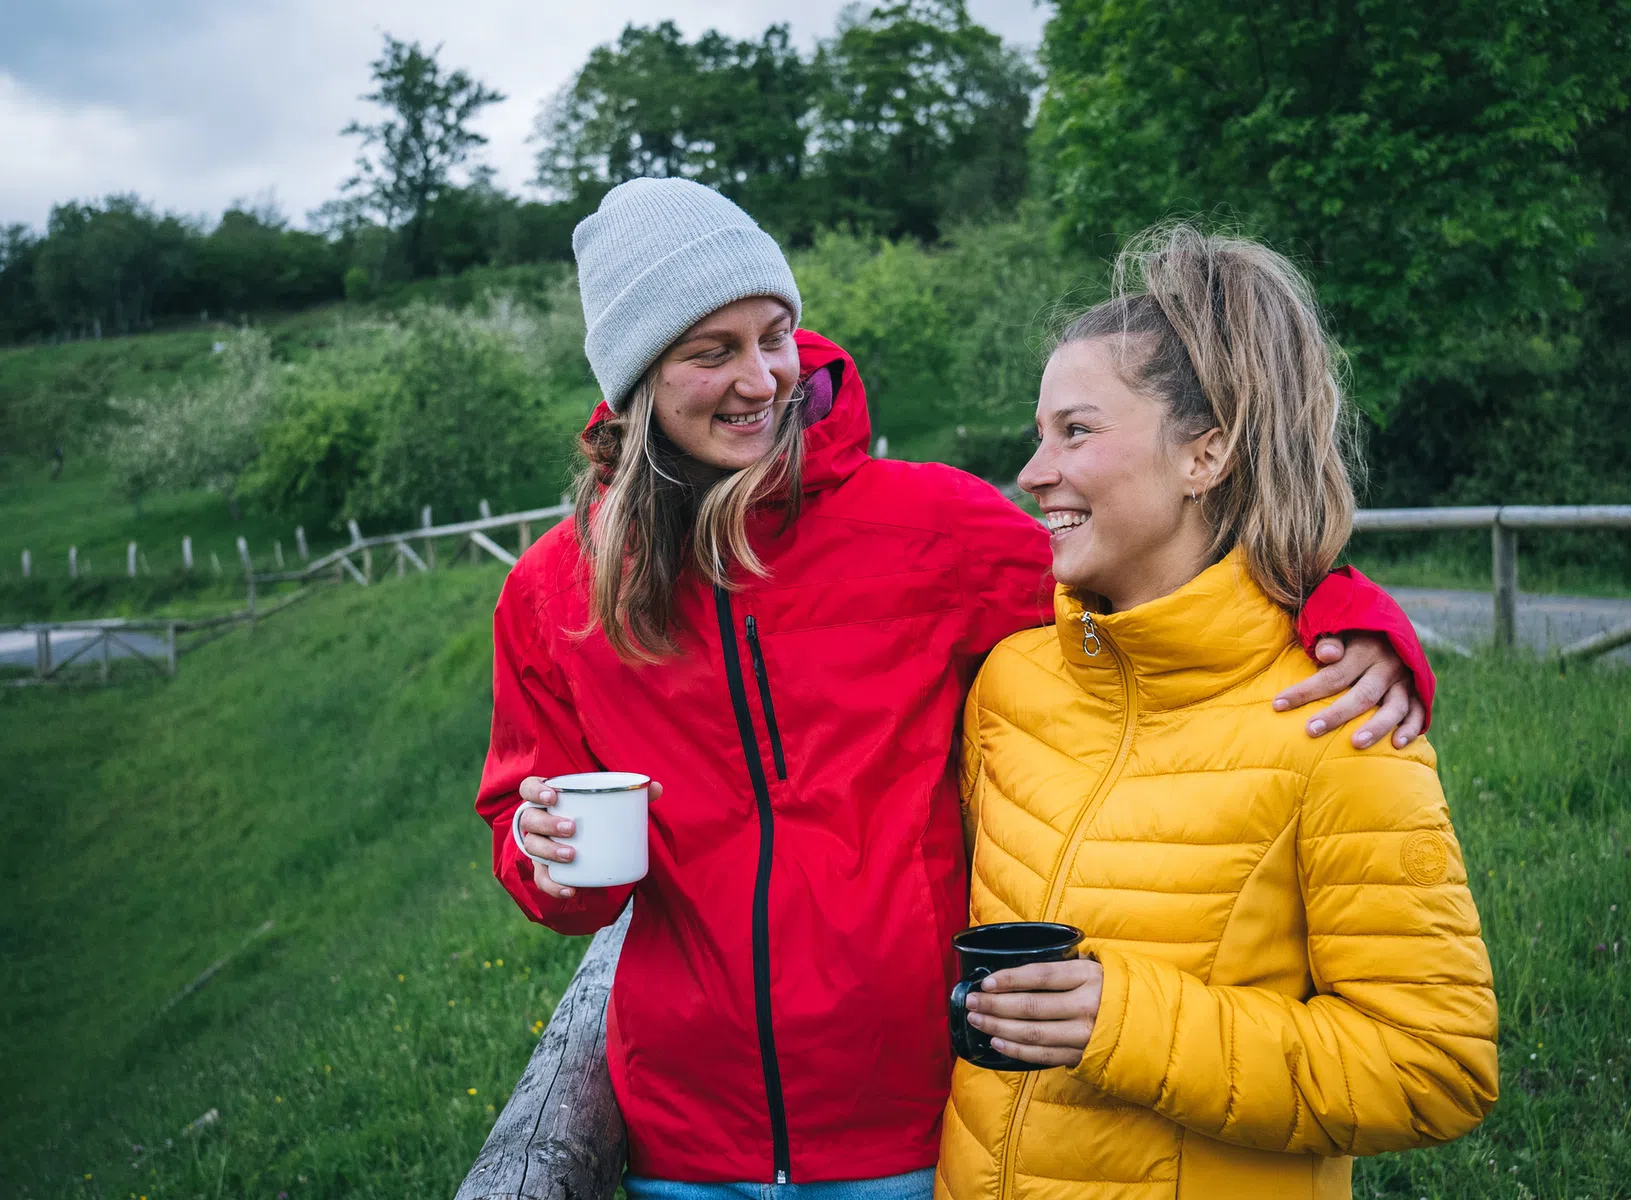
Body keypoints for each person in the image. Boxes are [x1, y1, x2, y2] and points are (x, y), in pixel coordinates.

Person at [475, 180, 1435, 1200]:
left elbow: (1159, 581)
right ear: (635, 379)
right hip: (686, 1139)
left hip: (915, 1125)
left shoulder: (928, 529)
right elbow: (534, 843)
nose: (760, 379)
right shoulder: (553, 596)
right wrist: (550, 862)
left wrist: (1346, 609)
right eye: (711, 352)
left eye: (774, 336)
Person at [941, 225, 1498, 1200]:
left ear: (1206, 453)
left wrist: (1125, 1023)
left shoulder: (1339, 723)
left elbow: (1435, 1068)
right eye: (1039, 435)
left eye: (1076, 431)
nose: (1033, 472)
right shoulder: (1012, 684)